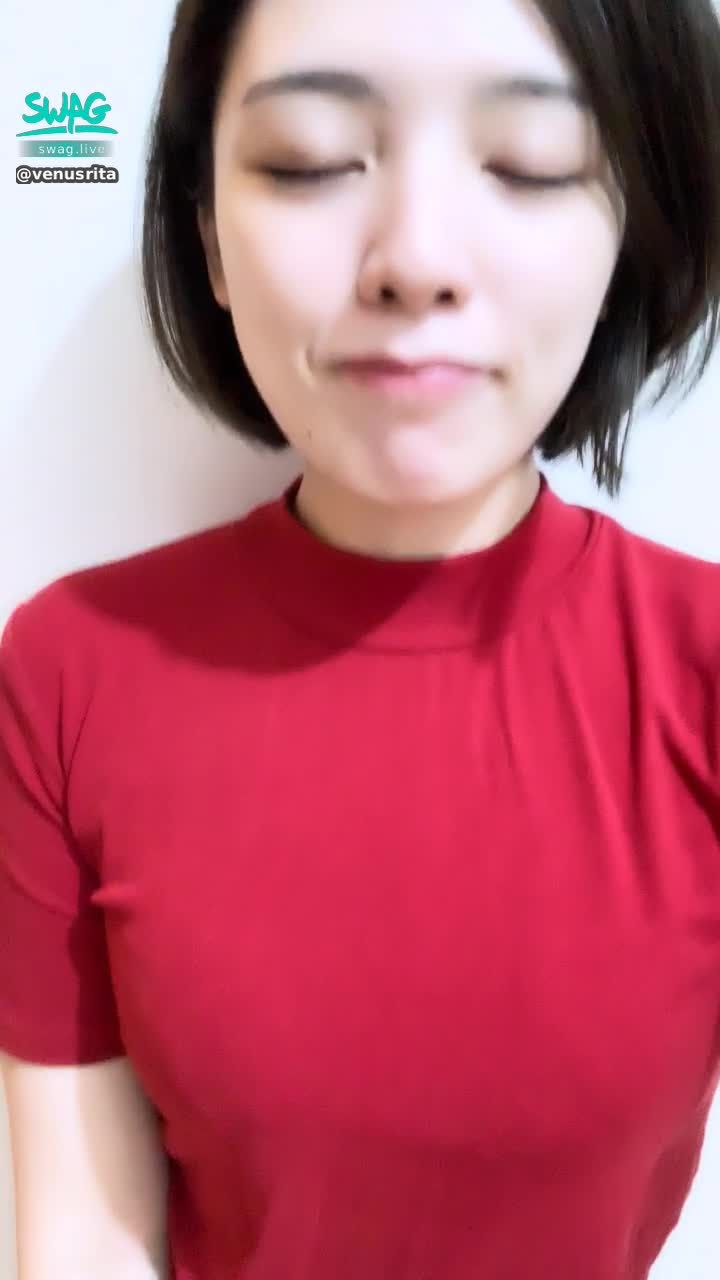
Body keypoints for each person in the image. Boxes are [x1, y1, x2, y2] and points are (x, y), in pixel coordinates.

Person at [2, 0, 720, 1277]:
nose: (415, 259)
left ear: (632, 227)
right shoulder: (70, 673)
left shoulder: (699, 664)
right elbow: (83, 1238)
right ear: (208, 237)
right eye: (310, 159)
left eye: (532, 164)